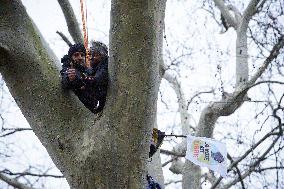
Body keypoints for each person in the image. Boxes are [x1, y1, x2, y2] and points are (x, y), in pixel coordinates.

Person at [60, 41, 108, 113]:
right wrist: (70, 78)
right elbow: (65, 79)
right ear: (71, 58)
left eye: (82, 55)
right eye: (76, 55)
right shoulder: (69, 69)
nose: (80, 58)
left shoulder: (89, 71)